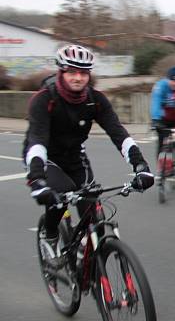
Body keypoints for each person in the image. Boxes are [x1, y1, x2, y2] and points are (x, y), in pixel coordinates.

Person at [24, 44, 154, 260]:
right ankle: (51, 233)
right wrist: (37, 180)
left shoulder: (95, 100)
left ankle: (89, 264)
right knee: (61, 195)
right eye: (72, 72)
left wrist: (141, 166)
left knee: (95, 214)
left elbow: (119, 134)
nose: (78, 78)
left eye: (83, 73)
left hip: (75, 156)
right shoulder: (44, 99)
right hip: (44, 157)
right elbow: (37, 140)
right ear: (61, 72)